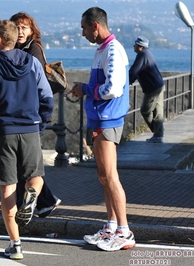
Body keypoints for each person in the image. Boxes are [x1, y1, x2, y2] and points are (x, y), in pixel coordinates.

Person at [0, 20, 53, 260]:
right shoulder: (33, 63)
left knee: (7, 191)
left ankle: (15, 245)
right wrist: (40, 126)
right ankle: (32, 197)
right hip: (30, 130)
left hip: (1, 133)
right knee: (35, 179)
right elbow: (47, 98)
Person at [68, 7, 136, 251]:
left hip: (108, 119)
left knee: (110, 177)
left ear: (95, 25)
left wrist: (85, 89)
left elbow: (113, 89)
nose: (83, 33)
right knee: (104, 177)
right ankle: (111, 225)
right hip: (99, 119)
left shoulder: (113, 50)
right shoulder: (103, 50)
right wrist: (85, 88)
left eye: (85, 28)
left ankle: (124, 231)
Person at [9, 11, 61, 218]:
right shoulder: (18, 49)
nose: (21, 31)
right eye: (17, 27)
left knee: (26, 162)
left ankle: (44, 201)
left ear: (32, 31)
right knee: (24, 161)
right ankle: (42, 201)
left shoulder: (34, 50)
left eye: (24, 27)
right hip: (24, 113)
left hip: (33, 114)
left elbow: (31, 82)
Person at [129, 36, 165, 143]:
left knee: (145, 110)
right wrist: (132, 79)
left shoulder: (142, 55)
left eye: (135, 44)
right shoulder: (148, 54)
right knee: (158, 112)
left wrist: (127, 82)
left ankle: (158, 133)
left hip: (153, 88)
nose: (133, 46)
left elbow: (133, 71)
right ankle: (158, 135)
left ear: (140, 47)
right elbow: (138, 71)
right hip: (159, 85)